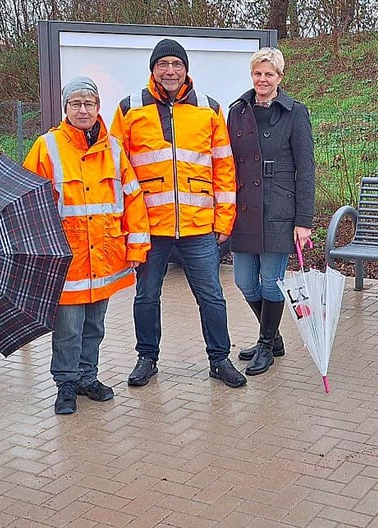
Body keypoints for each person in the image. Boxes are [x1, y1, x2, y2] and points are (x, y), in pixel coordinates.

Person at [111, 38, 247, 389]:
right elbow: (116, 171)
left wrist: (224, 219)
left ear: (186, 70)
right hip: (149, 227)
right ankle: (147, 358)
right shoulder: (129, 109)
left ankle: (219, 359)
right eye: (163, 64)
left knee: (212, 296)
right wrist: (125, 224)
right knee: (146, 296)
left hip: (198, 226)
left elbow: (224, 169)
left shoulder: (209, 108)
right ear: (153, 69)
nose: (170, 71)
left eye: (177, 64)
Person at [23, 76, 151, 415]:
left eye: (89, 103)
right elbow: (29, 204)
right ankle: (66, 384)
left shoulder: (114, 150)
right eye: (76, 103)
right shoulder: (47, 147)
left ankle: (87, 377)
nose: (83, 110)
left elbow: (133, 199)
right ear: (65, 108)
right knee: (68, 328)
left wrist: (137, 247)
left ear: (98, 107)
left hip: (105, 257)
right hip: (68, 260)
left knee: (94, 326)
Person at [226, 47, 315, 376]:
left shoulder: (295, 112)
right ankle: (273, 338)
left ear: (279, 77)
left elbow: (306, 170)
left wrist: (303, 221)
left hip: (278, 207)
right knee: (244, 281)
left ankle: (266, 345)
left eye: (269, 74)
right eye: (257, 73)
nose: (262, 79)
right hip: (244, 207)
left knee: (270, 283)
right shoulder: (237, 111)